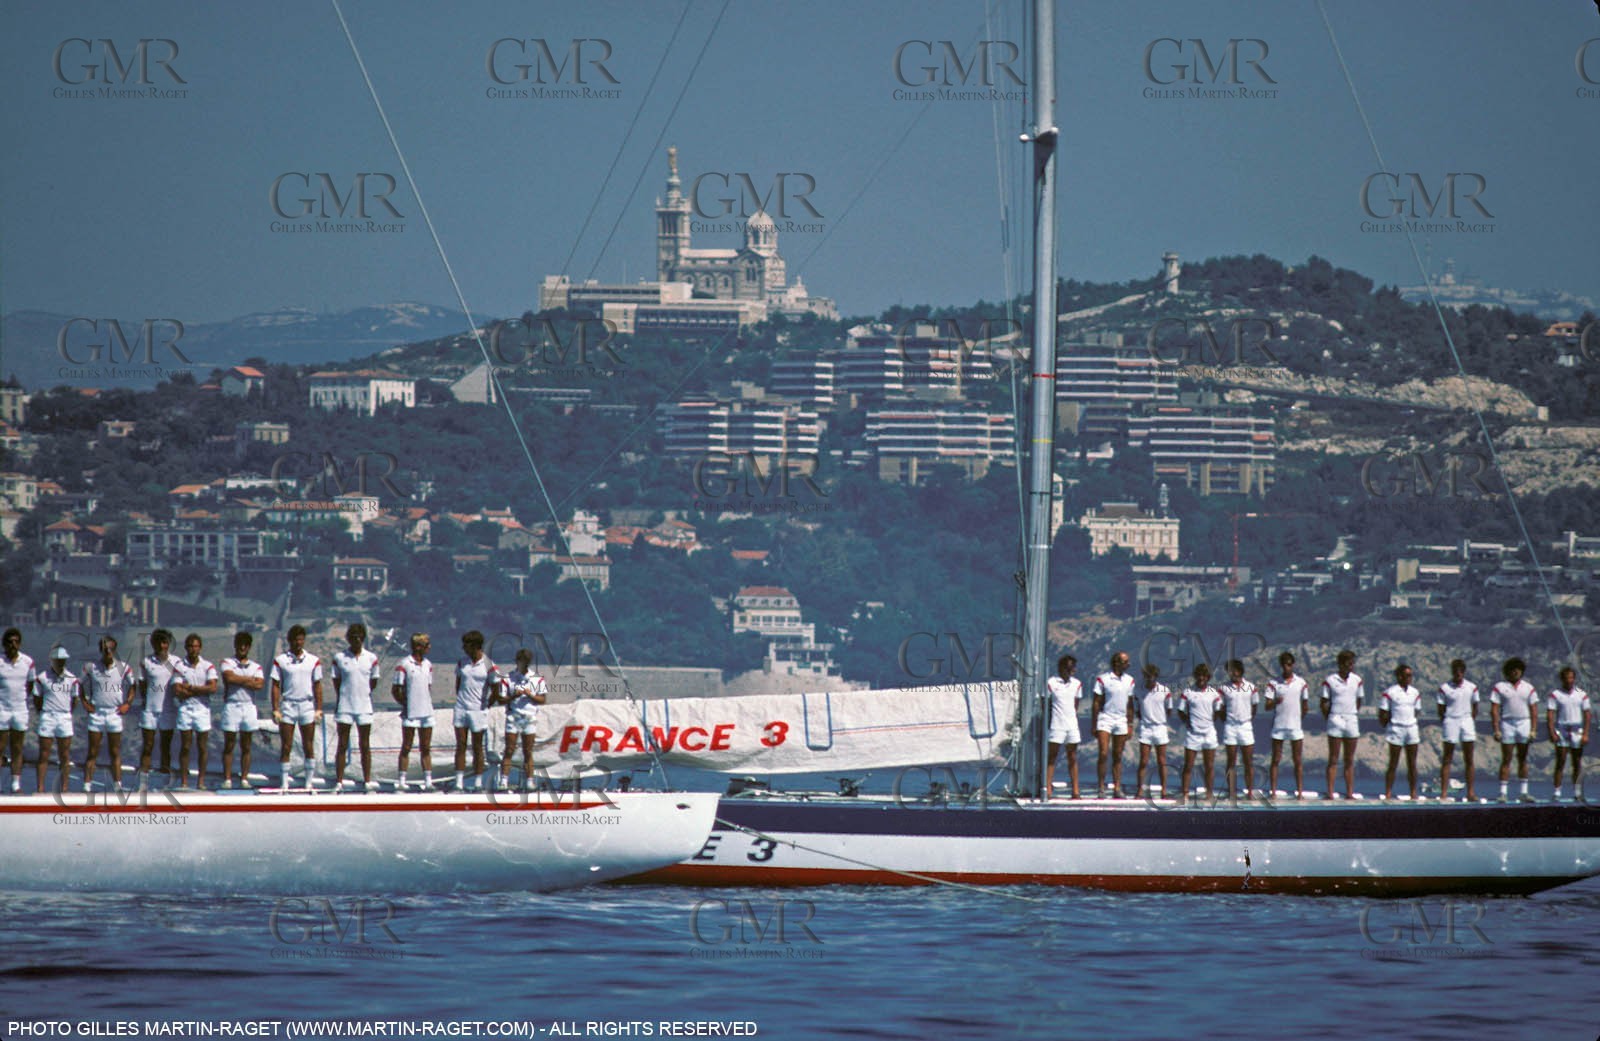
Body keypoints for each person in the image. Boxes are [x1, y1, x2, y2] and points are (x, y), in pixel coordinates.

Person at [270, 624, 324, 791]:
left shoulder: (313, 660)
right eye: (295, 640)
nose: (298, 643)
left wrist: (319, 708)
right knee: (286, 745)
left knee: (308, 745)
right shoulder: (281, 661)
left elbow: (317, 685)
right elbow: (276, 685)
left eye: (301, 639)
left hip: (307, 705)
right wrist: (275, 708)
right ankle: (284, 782)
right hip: (288, 705)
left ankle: (309, 782)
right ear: (290, 641)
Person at [80, 636, 136, 792]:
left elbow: (133, 686)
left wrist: (128, 704)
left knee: (115, 751)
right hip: (97, 713)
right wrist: (84, 702)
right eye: (105, 649)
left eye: (111, 649)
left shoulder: (124, 667)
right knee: (92, 751)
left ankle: (118, 786)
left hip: (115, 713)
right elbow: (79, 685)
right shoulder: (91, 667)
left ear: (115, 650)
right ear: (101, 650)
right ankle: (87, 786)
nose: (108, 652)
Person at [331, 623, 382, 791]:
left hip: (364, 706)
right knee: (342, 744)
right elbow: (337, 682)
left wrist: (362, 693)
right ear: (348, 638)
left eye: (359, 637)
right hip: (345, 705)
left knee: (364, 745)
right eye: (353, 636)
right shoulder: (339, 658)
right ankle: (339, 782)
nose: (356, 639)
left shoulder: (371, 658)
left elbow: (373, 682)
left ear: (363, 638)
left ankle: (367, 781)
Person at [454, 630, 500, 792]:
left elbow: (496, 689)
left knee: (477, 747)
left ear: (474, 646)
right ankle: (458, 783)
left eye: (466, 645)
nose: (463, 648)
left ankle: (478, 783)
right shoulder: (462, 663)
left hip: (478, 710)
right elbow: (458, 683)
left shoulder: (489, 665)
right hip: (461, 708)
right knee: (460, 745)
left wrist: (487, 704)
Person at [219, 632, 265, 789]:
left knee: (246, 745)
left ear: (249, 647)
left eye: (245, 645)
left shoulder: (256, 666)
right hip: (232, 705)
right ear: (236, 645)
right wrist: (249, 680)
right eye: (240, 644)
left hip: (248, 705)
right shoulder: (227, 662)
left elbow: (259, 685)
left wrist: (240, 679)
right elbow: (229, 678)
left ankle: (244, 778)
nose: (242, 647)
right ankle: (227, 779)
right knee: (229, 744)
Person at [171, 633, 218, 789]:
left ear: (200, 648)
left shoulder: (208, 666)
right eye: (190, 646)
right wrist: (199, 690)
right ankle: (184, 781)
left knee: (202, 746)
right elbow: (177, 690)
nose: (193, 649)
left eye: (196, 646)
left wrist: (190, 687)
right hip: (185, 708)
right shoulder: (179, 666)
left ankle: (201, 781)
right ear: (186, 647)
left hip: (202, 709)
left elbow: (212, 688)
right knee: (185, 746)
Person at [498, 648, 548, 792]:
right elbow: (501, 699)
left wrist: (530, 695)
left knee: (528, 750)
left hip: (529, 717)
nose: (523, 665)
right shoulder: (508, 678)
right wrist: (514, 695)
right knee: (509, 749)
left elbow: (542, 699)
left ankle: (530, 781)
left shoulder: (537, 679)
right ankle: (504, 780)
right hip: (513, 716)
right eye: (521, 662)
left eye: (525, 663)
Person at [137, 629, 182, 791]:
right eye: (159, 642)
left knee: (166, 746)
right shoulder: (146, 662)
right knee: (147, 746)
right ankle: (142, 784)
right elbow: (142, 684)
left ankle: (165, 784)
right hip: (150, 710)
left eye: (165, 642)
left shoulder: (176, 662)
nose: (162, 646)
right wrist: (145, 701)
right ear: (153, 644)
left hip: (168, 710)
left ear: (168, 644)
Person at [1490, 657, 1539, 803]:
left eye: (1518, 669)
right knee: (1507, 758)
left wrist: (1533, 730)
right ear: (1508, 671)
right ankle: (1503, 793)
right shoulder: (1500, 687)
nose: (1515, 672)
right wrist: (1496, 729)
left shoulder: (1529, 688)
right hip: (1507, 723)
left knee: (1523, 758)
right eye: (1512, 669)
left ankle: (1524, 792)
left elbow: (1534, 710)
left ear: (1521, 671)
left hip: (1524, 722)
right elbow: (1494, 710)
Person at [34, 646, 79, 794]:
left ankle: (64, 788)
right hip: (48, 715)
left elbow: (74, 700)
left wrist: (66, 712)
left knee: (64, 754)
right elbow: (37, 699)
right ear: (52, 660)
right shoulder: (42, 678)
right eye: (58, 660)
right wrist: (45, 711)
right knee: (44, 753)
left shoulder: (72, 679)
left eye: (62, 660)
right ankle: (40, 788)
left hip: (64, 716)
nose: (60, 663)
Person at [1264, 651, 1309, 799]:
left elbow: (1305, 706)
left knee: (1297, 760)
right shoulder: (1273, 683)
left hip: (1295, 727)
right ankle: (1273, 792)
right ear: (1281, 666)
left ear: (1293, 664)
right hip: (1279, 725)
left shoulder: (1301, 683)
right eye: (1284, 664)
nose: (1287, 667)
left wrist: (1298, 718)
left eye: (1289, 664)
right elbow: (1267, 706)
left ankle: (1300, 792)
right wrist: (1276, 701)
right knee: (1275, 759)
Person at [394, 633, 435, 791]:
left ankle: (428, 780)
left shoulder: (428, 664)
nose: (429, 647)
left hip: (426, 712)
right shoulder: (404, 664)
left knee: (426, 747)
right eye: (427, 644)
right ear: (418, 646)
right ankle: (402, 780)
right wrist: (406, 704)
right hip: (410, 713)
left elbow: (428, 687)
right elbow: (396, 689)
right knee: (407, 746)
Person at [1322, 649, 1364, 800]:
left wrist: (1351, 713)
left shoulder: (1357, 680)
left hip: (1351, 718)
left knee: (1349, 759)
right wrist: (1332, 716)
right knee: (1333, 758)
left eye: (1352, 663)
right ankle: (1330, 792)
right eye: (1348, 663)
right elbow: (1324, 702)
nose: (1350, 667)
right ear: (1340, 664)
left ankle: (1349, 793)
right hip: (1335, 718)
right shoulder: (1330, 680)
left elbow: (1359, 700)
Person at [1178, 663, 1223, 804]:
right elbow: (1180, 710)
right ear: (1196, 676)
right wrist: (1188, 722)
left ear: (1208, 677)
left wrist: (1209, 722)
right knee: (1188, 765)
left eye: (1204, 675)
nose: (1201, 678)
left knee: (1209, 765)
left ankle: (1209, 794)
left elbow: (1217, 711)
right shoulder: (1188, 692)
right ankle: (1185, 793)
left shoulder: (1214, 694)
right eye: (1199, 675)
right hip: (1193, 735)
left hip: (1209, 734)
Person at [1092, 651, 1135, 798]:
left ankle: (1117, 788)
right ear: (1117, 663)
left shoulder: (1130, 680)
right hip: (1105, 718)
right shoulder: (1103, 679)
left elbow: (1130, 704)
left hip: (1121, 719)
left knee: (1118, 755)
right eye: (1125, 661)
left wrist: (1130, 724)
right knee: (1103, 753)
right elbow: (1096, 702)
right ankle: (1101, 787)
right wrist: (1094, 723)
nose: (1128, 664)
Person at [1436, 659, 1479, 802]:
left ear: (1464, 672)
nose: (1458, 674)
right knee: (1447, 758)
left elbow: (1475, 707)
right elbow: (1440, 709)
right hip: (1450, 720)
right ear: (1452, 671)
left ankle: (1471, 793)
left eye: (1460, 671)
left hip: (1466, 720)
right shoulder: (1444, 688)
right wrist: (1449, 719)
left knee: (1469, 758)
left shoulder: (1472, 687)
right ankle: (1443, 793)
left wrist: (1468, 719)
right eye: (1455, 671)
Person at [0, 627, 36, 793]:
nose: (13, 645)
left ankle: (16, 784)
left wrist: (21, 700)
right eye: (9, 642)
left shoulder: (28, 662)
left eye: (15, 642)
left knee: (17, 747)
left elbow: (30, 685)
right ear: (4, 644)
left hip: (20, 709)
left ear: (20, 643)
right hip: (2, 709)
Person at [1380, 663, 1423, 801]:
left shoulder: (1415, 692)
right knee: (1393, 762)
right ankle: (1388, 792)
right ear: (1399, 676)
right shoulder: (1390, 692)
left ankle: (1413, 792)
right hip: (1396, 728)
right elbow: (1383, 712)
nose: (1409, 678)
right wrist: (1389, 724)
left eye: (1411, 675)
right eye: (1407, 675)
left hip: (1411, 728)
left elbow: (1416, 711)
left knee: (1412, 763)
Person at [1547, 666, 1590, 802]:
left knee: (1576, 762)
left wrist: (1585, 734)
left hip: (1577, 730)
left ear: (1574, 678)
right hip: (1562, 729)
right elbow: (1550, 714)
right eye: (1566, 678)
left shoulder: (1582, 694)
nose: (1569, 680)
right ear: (1562, 679)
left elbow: (1587, 715)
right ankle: (1557, 792)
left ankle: (1577, 792)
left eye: (1571, 677)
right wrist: (1552, 731)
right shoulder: (1556, 694)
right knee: (1560, 761)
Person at [1220, 659, 1258, 800]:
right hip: (1230, 727)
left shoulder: (1251, 687)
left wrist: (1246, 719)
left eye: (1234, 670)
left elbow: (1254, 707)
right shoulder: (1224, 688)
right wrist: (1228, 720)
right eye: (1230, 671)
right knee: (1231, 761)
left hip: (1246, 727)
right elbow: (1221, 708)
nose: (1232, 673)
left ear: (1240, 670)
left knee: (1248, 761)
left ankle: (1249, 792)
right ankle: (1231, 791)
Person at [1044, 655, 1082, 798]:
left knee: (1072, 757)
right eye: (1070, 667)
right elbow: (1046, 703)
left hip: (1071, 724)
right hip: (1056, 725)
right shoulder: (1051, 683)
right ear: (1062, 668)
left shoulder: (1077, 684)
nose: (1073, 670)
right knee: (1052, 757)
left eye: (1073, 668)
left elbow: (1075, 705)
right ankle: (1047, 788)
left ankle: (1075, 790)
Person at [1133, 663, 1171, 799]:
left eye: (1152, 676)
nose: (1150, 679)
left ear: (1156, 676)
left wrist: (1160, 719)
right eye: (1148, 676)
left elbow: (1169, 709)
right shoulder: (1139, 691)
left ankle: (1164, 791)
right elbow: (1137, 709)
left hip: (1160, 727)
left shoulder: (1164, 691)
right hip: (1146, 727)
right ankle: (1140, 791)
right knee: (1143, 761)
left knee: (1162, 761)